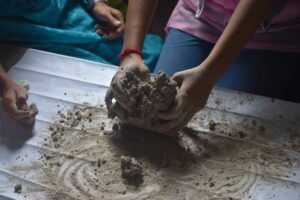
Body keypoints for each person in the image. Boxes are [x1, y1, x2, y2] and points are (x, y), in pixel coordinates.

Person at [106, 0, 300, 134]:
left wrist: (209, 75)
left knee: (226, 123)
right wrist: (131, 53)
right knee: (158, 114)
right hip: (200, 12)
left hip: (273, 27)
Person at [0, 0, 164, 124]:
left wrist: (95, 3)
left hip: (71, 11)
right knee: (93, 83)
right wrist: (4, 82)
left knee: (152, 57)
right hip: (26, 31)